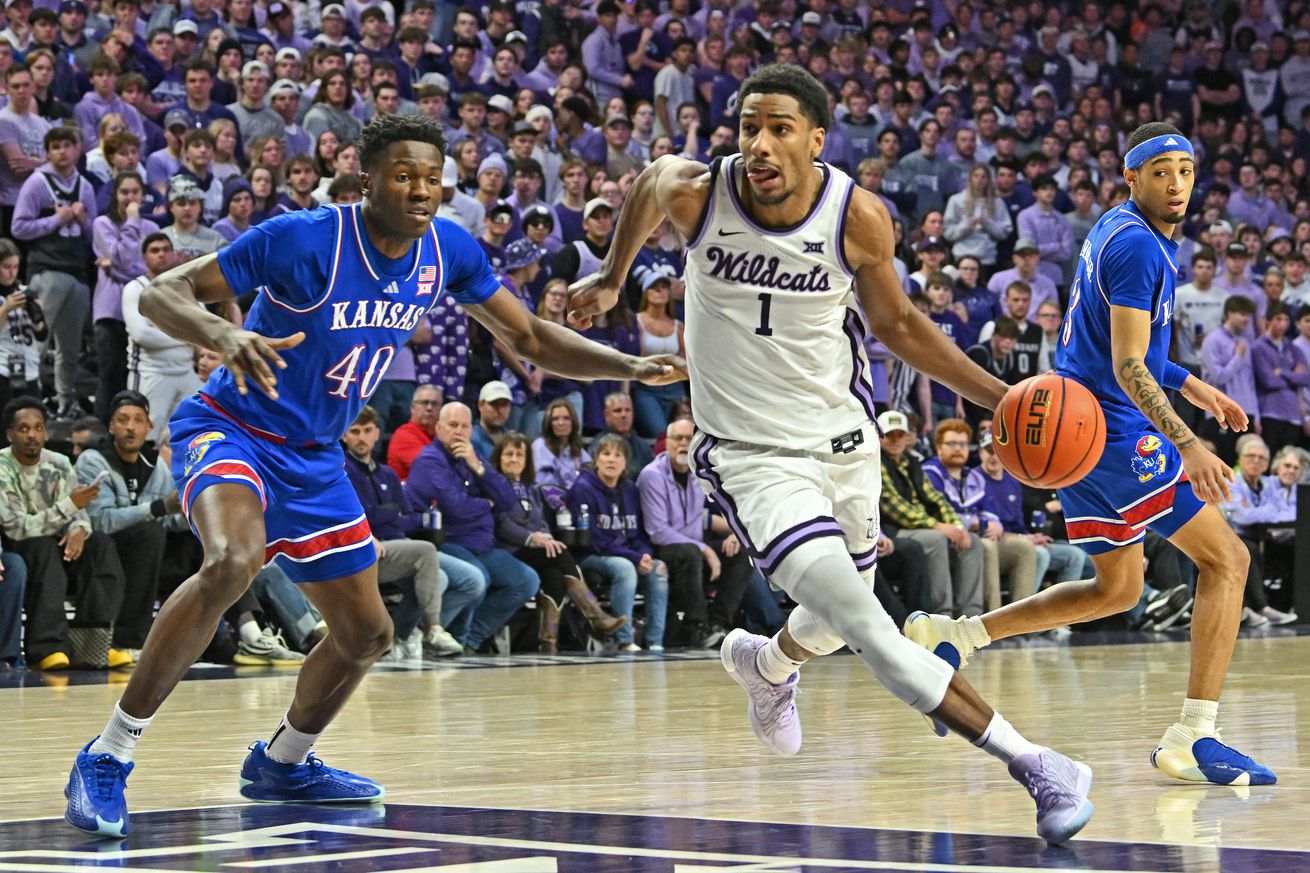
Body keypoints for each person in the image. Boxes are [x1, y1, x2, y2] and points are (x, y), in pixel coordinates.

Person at [64, 114, 684, 838]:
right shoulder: (304, 238)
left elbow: (531, 336)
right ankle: (107, 753)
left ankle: (284, 761)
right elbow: (161, 291)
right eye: (404, 175)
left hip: (316, 452)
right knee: (232, 560)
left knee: (366, 632)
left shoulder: (446, 249)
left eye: (432, 178)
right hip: (232, 427)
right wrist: (223, 332)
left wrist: (630, 365)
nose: (421, 190)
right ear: (365, 177)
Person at [569, 64, 1093, 846]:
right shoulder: (695, 192)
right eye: (749, 126)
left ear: (817, 139)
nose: (760, 143)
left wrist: (1002, 398)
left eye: (780, 128)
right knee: (871, 625)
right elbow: (645, 182)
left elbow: (903, 328)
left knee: (831, 620)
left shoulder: (858, 218)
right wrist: (614, 277)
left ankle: (768, 664)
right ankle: (1037, 764)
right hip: (750, 458)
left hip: (843, 441)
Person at [905, 122, 1276, 788]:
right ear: (1130, 176)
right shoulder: (1139, 248)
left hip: (1077, 429)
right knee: (1229, 558)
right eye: (1160, 171)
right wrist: (1187, 442)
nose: (1176, 184)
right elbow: (1130, 363)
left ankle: (954, 636)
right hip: (1110, 431)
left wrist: (1193, 384)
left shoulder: (1115, 226)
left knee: (1118, 587)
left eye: (1185, 171)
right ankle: (1195, 734)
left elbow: (1125, 341)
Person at [0, 396, 130, 670]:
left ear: (46, 432)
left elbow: (79, 512)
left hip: (57, 539)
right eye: (23, 429)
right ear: (10, 434)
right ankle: (48, 647)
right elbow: (17, 526)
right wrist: (70, 508)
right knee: (42, 546)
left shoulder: (59, 463)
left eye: (38, 428)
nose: (32, 435)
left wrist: (79, 529)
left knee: (100, 544)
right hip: (20, 545)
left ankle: (96, 644)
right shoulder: (2, 467)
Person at [341, 405, 472, 659]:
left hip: (398, 545)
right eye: (355, 431)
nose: (361, 437)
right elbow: (360, 517)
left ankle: (396, 637)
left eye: (367, 431)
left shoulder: (388, 474)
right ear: (345, 436)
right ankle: (432, 629)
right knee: (426, 551)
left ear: (377, 433)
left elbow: (411, 518)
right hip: (367, 549)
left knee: (458, 578)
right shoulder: (343, 471)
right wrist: (389, 516)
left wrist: (385, 515)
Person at [490, 432, 627, 652]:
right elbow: (502, 525)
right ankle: (595, 614)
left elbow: (542, 524)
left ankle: (548, 641)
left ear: (526, 461)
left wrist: (546, 537)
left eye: (519, 454)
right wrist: (533, 538)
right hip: (509, 550)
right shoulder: (495, 486)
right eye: (508, 454)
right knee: (560, 554)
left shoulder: (531, 490)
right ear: (499, 458)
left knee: (554, 574)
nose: (514, 459)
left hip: (533, 551)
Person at [73, 391, 184, 659]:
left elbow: (170, 519)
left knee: (201, 543)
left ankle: (221, 638)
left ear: (149, 427)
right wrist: (156, 509)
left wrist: (197, 515)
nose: (130, 427)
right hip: (96, 550)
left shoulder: (156, 466)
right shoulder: (92, 460)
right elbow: (101, 521)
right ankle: (128, 641)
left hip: (145, 551)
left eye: (137, 420)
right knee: (149, 533)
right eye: (123, 420)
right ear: (111, 426)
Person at [11, 124, 97, 419]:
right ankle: (27, 400)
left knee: (70, 347)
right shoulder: (37, 182)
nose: (62, 151)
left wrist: (84, 220)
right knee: (39, 341)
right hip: (47, 269)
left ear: (77, 149)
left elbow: (93, 235)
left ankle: (65, 401)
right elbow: (18, 227)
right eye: (55, 147)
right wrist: (55, 220)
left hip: (77, 272)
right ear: (47, 152)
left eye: (67, 145)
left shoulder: (84, 185)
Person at [568, 432, 668, 652]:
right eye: (605, 454)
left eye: (617, 455)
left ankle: (655, 641)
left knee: (658, 568)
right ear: (596, 460)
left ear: (625, 463)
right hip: (589, 556)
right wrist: (633, 557)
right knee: (625, 569)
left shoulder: (630, 490)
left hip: (625, 553)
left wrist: (643, 554)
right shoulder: (582, 488)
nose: (611, 459)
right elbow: (593, 540)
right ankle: (623, 639)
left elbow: (640, 534)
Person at [588, 391, 654, 473]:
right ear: (606, 415)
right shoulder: (597, 445)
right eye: (618, 410)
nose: (624, 415)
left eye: (628, 410)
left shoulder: (643, 447)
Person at [387, 383, 441, 482]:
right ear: (412, 408)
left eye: (434, 403)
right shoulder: (403, 436)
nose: (429, 408)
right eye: (424, 402)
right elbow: (432, 471)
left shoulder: (440, 434)